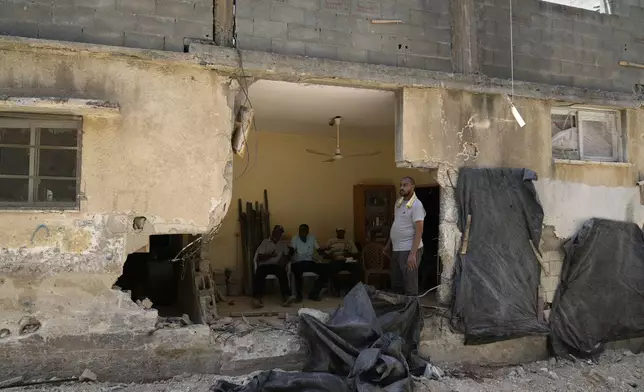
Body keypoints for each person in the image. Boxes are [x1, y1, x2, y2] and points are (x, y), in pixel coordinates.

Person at [384, 176, 425, 296]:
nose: (402, 187)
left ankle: (412, 312)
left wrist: (413, 254)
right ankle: (400, 312)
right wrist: (388, 244)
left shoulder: (417, 205)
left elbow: (419, 230)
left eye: (405, 185)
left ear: (412, 187)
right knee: (397, 283)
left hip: (409, 249)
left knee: (410, 285)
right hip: (397, 249)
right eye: (401, 184)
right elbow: (396, 225)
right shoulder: (398, 202)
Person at [252, 225, 293, 309]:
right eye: (277, 232)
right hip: (264, 265)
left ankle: (286, 296)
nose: (279, 234)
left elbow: (286, 256)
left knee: (282, 272)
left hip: (275, 266)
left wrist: (290, 254)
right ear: (273, 232)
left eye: (280, 233)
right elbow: (260, 257)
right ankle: (257, 298)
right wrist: (271, 255)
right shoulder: (265, 242)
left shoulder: (282, 244)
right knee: (259, 274)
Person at [290, 224, 330, 302]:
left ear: (307, 231)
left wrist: (326, 251)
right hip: (298, 262)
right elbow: (292, 250)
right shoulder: (295, 238)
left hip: (309, 262)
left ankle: (314, 293)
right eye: (300, 230)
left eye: (304, 230)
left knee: (325, 269)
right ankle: (299, 295)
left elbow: (318, 250)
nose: (302, 232)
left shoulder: (312, 238)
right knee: (296, 270)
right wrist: (290, 250)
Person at [323, 228, 361, 294]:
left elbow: (356, 254)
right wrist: (332, 256)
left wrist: (349, 254)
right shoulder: (331, 241)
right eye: (339, 231)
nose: (341, 232)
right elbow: (325, 255)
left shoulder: (349, 241)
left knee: (357, 268)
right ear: (336, 231)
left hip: (348, 261)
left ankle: (351, 289)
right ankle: (337, 289)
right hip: (336, 260)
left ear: (344, 232)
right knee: (331, 267)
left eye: (342, 231)